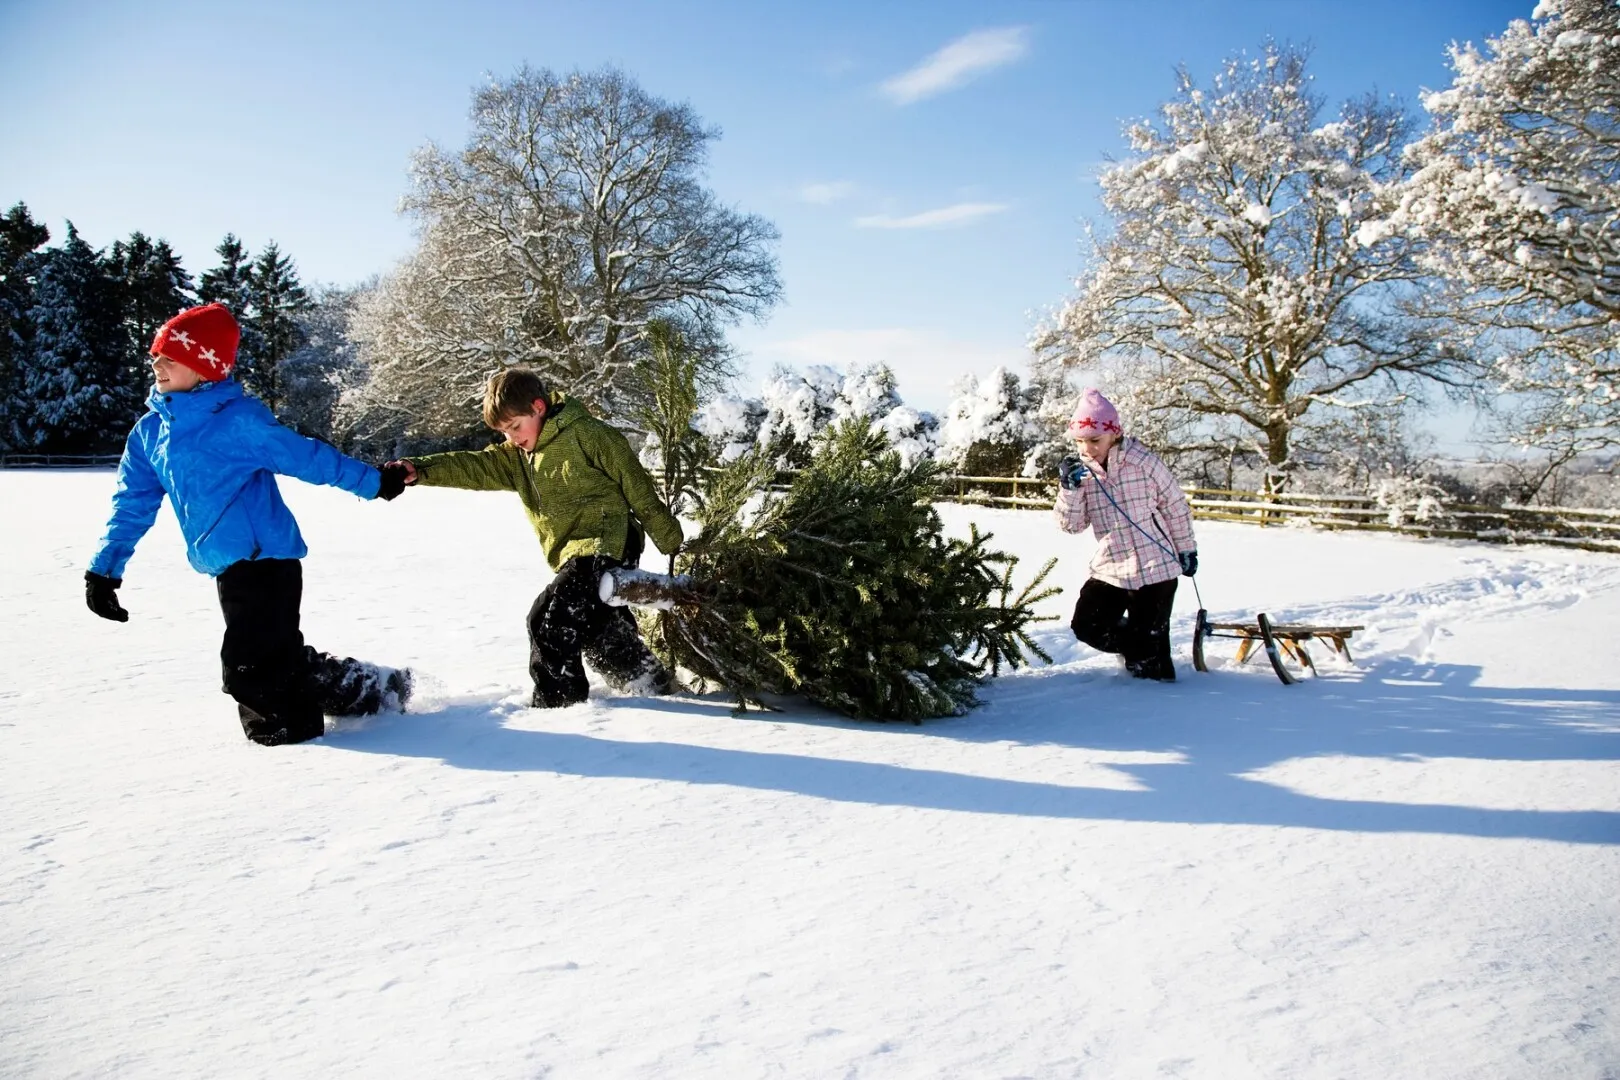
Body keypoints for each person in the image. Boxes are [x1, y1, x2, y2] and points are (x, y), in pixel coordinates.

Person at [85, 302, 412, 746]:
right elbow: (132, 503)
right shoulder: (150, 432)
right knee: (279, 660)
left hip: (267, 559)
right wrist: (104, 570)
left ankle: (291, 740)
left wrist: (373, 482)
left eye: (170, 357)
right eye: (156, 356)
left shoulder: (238, 420)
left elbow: (306, 457)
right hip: (225, 565)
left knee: (248, 667)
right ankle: (374, 689)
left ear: (204, 367)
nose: (156, 365)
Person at [390, 368, 683, 708]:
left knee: (548, 620)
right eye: (503, 431)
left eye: (515, 426)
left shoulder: (588, 435)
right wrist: (419, 469)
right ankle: (650, 684)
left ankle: (558, 706)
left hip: (606, 543)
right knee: (593, 626)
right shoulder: (517, 457)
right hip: (574, 555)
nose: (511, 437)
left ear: (539, 407)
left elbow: (637, 487)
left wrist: (671, 539)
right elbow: (471, 466)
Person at [1053, 388, 1198, 682]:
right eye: (1080, 441)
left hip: (1157, 567)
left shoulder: (1144, 462)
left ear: (1114, 434)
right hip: (1112, 567)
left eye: (1095, 440)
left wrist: (1186, 549)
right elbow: (1072, 526)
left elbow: (1174, 505)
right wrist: (1068, 490)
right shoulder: (1081, 475)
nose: (1087, 448)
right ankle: (1142, 647)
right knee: (1087, 625)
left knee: (1151, 663)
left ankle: (1159, 692)